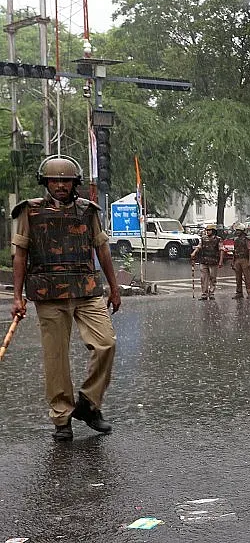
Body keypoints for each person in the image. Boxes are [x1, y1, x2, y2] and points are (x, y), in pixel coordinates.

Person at [10, 155, 121, 442]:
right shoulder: (29, 212)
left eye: (66, 181)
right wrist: (17, 297)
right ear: (45, 182)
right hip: (48, 293)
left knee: (106, 343)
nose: (60, 185)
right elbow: (20, 255)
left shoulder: (88, 211)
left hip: (86, 289)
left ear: (75, 183)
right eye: (54, 180)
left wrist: (114, 286)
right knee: (56, 358)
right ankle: (62, 418)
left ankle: (88, 404)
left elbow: (102, 249)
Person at [191, 224, 224, 300]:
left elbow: (221, 250)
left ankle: (211, 293)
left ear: (213, 231)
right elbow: (199, 246)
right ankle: (204, 294)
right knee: (203, 278)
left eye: (209, 230)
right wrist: (194, 252)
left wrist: (221, 261)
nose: (207, 232)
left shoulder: (218, 239)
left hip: (213, 261)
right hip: (204, 261)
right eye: (207, 230)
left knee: (213, 278)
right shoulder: (203, 238)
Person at [231, 222, 250, 299]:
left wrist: (249, 261)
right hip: (237, 260)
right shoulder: (235, 240)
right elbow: (235, 251)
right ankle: (239, 293)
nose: (237, 232)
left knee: (247, 278)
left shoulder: (247, 240)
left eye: (239, 230)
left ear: (242, 231)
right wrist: (233, 261)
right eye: (236, 230)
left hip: (245, 259)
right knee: (238, 278)